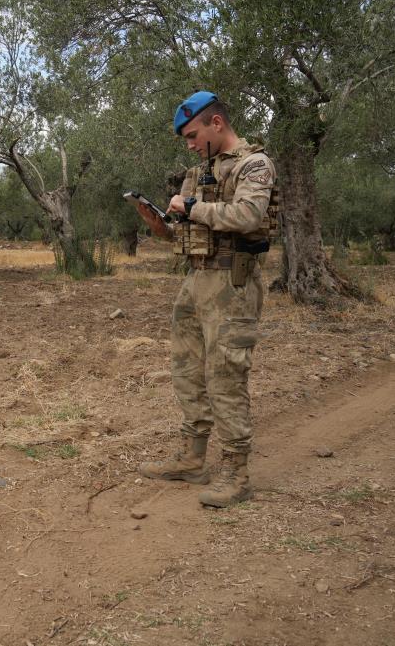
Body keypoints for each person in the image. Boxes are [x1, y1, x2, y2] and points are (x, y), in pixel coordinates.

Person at [130, 91, 276, 507]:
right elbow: (186, 231)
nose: (190, 145)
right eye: (186, 139)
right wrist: (160, 225)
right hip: (196, 280)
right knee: (187, 369)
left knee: (226, 375)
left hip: (234, 283)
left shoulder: (254, 165)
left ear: (217, 124)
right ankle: (193, 458)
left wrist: (191, 208)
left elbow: (248, 216)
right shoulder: (200, 173)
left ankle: (236, 471)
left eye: (193, 135)